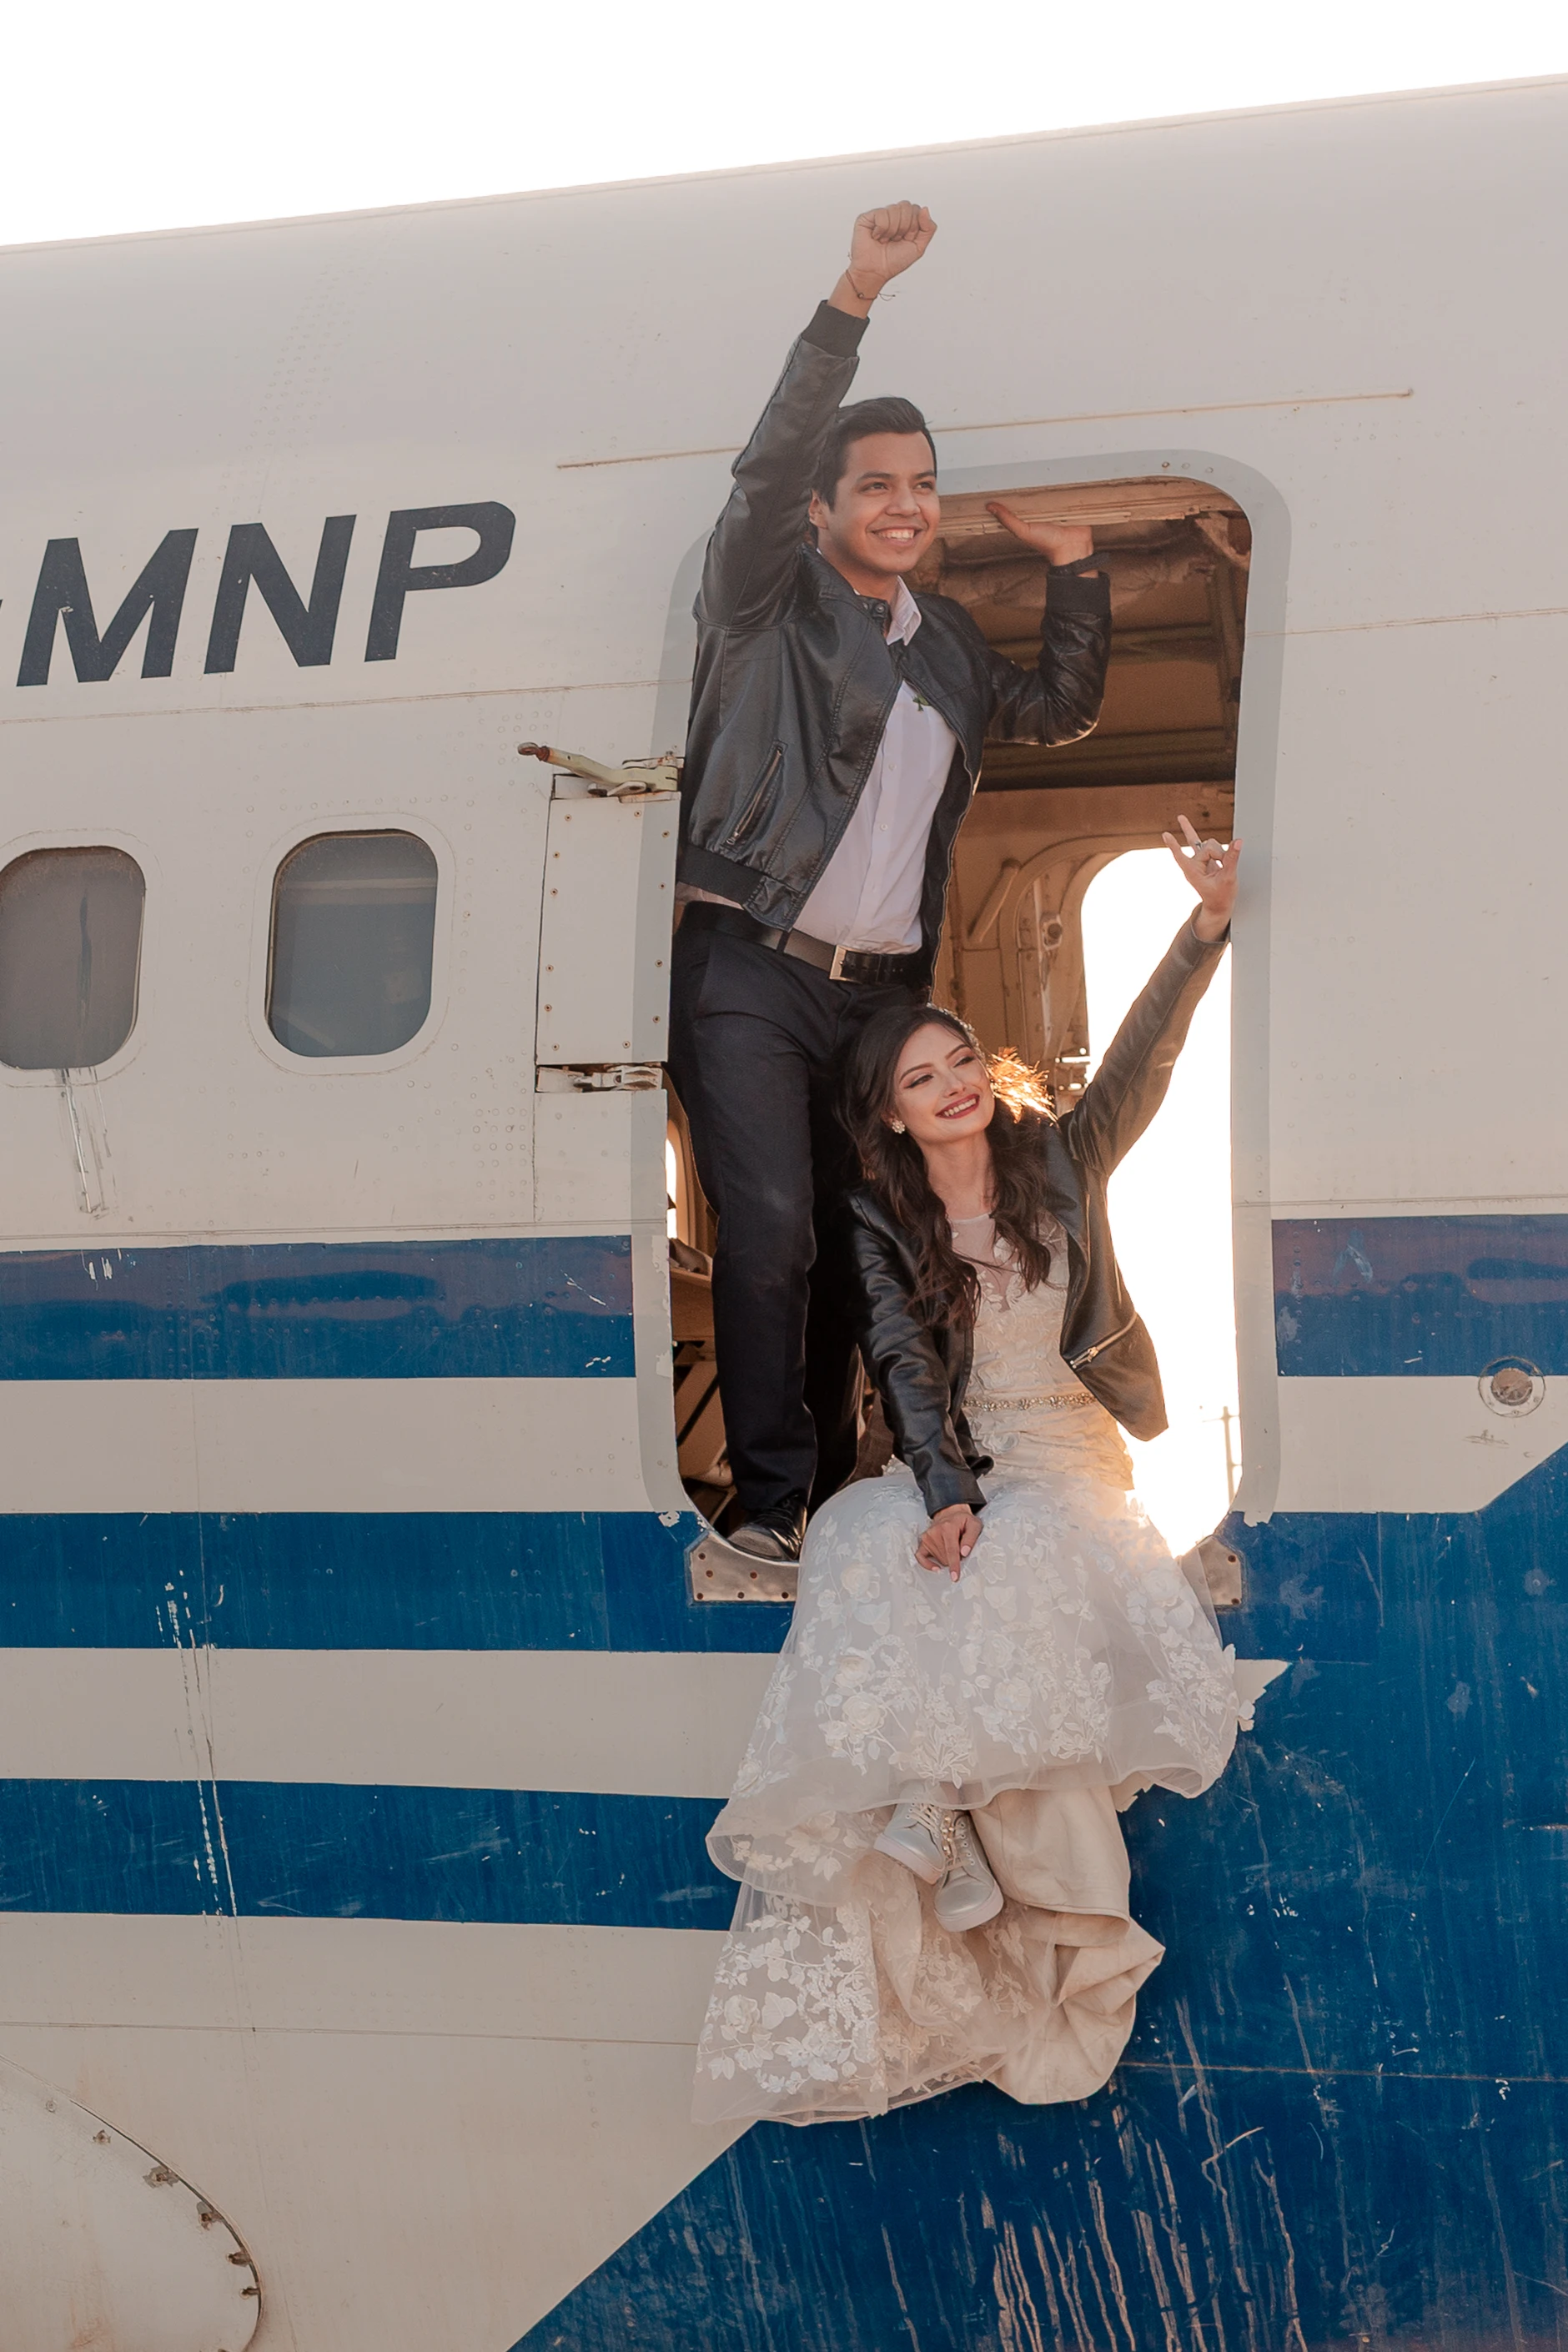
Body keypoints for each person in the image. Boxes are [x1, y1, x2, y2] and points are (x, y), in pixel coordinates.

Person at [692, 822, 1262, 2127]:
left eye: (960, 1063)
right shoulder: (878, 1212)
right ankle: (933, 1808)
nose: (951, 1086)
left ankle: (933, 1804)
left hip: (1067, 1452)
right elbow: (898, 1354)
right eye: (921, 1077)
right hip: (974, 1455)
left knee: (1013, 1565)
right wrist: (944, 1490)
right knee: (858, 1541)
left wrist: (1204, 928)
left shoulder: (1054, 1154)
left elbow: (1140, 1066)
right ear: (886, 1111)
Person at [668, 201, 1111, 1564]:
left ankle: (873, 1472)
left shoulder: (950, 646)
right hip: (752, 964)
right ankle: (774, 1501)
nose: (905, 505)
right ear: (823, 508)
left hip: (878, 1000)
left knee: (865, 1228)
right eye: (874, 485)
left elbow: (1061, 710)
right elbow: (759, 473)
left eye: (922, 484)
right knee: (774, 1230)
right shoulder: (771, 601)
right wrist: (854, 296)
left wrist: (1078, 573)